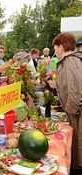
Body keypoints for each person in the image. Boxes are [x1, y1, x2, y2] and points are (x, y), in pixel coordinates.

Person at [52, 32, 82, 173]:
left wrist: (70, 111)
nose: (55, 51)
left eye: (55, 47)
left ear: (62, 47)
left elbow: (75, 90)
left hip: (76, 113)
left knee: (78, 146)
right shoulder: (70, 60)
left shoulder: (70, 61)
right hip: (75, 111)